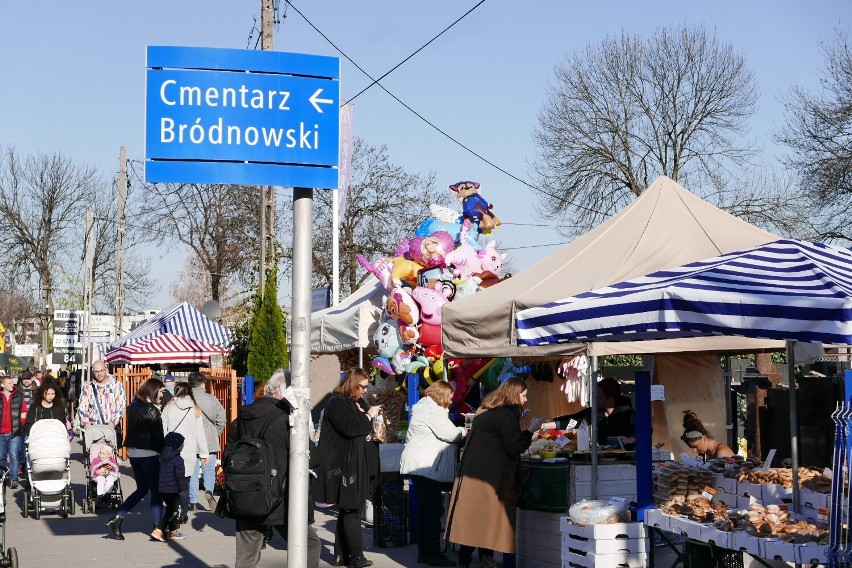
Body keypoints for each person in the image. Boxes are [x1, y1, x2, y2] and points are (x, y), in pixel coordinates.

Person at [223, 369, 320, 568]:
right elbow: (311, 458)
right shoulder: (288, 420)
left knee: (246, 557)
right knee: (309, 544)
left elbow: (227, 458)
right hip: (282, 500)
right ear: (286, 393)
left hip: (246, 495)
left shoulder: (241, 419)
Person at [446, 377, 543, 568]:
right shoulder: (505, 415)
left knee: (473, 521)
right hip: (491, 477)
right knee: (489, 521)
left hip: (474, 474)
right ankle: (486, 561)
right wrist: (530, 430)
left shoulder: (486, 409)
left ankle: (467, 561)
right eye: (523, 396)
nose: (524, 400)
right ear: (514, 395)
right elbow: (514, 447)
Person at [314, 368, 381, 568]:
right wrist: (368, 416)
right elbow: (352, 428)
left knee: (347, 509)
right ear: (353, 384)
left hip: (353, 462)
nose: (364, 391)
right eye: (362, 387)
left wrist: (367, 416)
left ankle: (341, 555)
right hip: (344, 464)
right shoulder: (337, 403)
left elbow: (360, 427)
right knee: (351, 509)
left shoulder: (355, 403)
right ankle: (356, 556)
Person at [399, 381, 467, 567]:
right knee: (432, 511)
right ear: (442, 395)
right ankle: (434, 555)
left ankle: (424, 551)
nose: (452, 400)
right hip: (425, 466)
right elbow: (451, 435)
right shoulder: (433, 411)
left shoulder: (423, 408)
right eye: (450, 396)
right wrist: (463, 430)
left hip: (419, 465)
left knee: (424, 510)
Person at [105, 377, 166, 541]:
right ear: (154, 391)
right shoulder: (151, 410)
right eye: (161, 391)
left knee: (142, 489)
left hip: (134, 454)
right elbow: (158, 437)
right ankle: (157, 528)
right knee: (156, 492)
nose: (162, 394)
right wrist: (164, 452)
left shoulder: (133, 406)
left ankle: (118, 517)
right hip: (149, 454)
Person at [541, 377, 636, 449]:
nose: (595, 399)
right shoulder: (595, 412)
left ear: (610, 398)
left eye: (599, 397)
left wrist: (631, 439)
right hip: (605, 459)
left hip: (628, 460)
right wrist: (543, 425)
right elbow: (574, 420)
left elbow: (646, 430)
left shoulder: (627, 412)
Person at [161, 381, 208, 525]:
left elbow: (163, 428)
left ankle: (174, 511)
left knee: (171, 483)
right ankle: (184, 513)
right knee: (184, 484)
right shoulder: (195, 409)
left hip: (170, 451)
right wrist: (204, 453)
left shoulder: (168, 407)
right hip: (188, 452)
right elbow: (200, 433)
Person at [187, 371, 226, 512]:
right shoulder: (212, 399)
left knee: (192, 471)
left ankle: (192, 501)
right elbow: (222, 418)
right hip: (209, 438)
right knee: (209, 470)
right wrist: (217, 432)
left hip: (191, 440)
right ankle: (209, 493)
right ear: (203, 383)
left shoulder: (186, 399)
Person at [77, 360, 127, 444]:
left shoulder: (117, 386)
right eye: (96, 371)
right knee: (94, 456)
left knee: (110, 456)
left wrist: (113, 423)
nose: (99, 374)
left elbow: (121, 406)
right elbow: (82, 407)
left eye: (101, 371)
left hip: (110, 429)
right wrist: (86, 423)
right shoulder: (88, 387)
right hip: (93, 430)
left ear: (106, 369)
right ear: (93, 372)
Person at [152, 431, 188, 542]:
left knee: (173, 510)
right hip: (173, 489)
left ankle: (172, 531)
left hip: (163, 488)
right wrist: (183, 489)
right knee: (172, 511)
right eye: (182, 444)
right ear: (177, 445)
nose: (183, 446)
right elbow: (180, 477)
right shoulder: (178, 459)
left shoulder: (163, 456)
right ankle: (158, 530)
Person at [0, 372, 27, 489]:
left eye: (12, 382)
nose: (12, 384)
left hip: (15, 432)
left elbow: (24, 411)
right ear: (2, 385)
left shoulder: (19, 395)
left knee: (14, 455)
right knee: (1, 457)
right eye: (9, 383)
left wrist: (21, 422)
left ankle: (14, 479)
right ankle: (3, 477)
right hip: (1, 433)